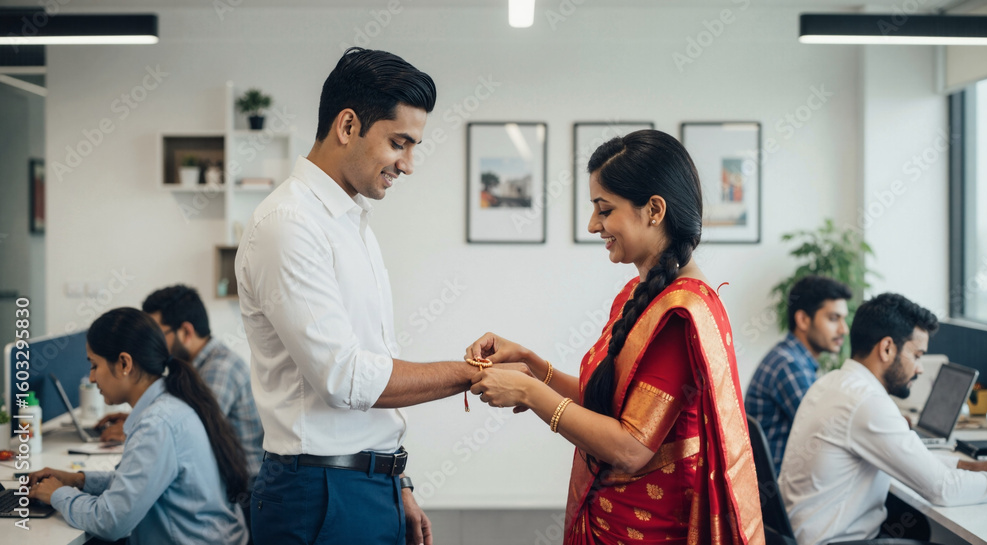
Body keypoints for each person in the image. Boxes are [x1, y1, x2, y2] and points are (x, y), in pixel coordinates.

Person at [235, 47, 524, 545]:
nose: (408, 165)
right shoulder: (288, 225)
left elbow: (371, 371)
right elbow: (344, 378)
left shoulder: (350, 221)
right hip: (319, 494)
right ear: (348, 126)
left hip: (365, 483)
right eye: (400, 143)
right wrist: (474, 374)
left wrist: (396, 481)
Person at [465, 130, 764, 545]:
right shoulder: (637, 294)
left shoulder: (681, 312)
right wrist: (533, 366)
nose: (592, 225)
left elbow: (630, 447)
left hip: (647, 532)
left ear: (654, 209)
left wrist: (529, 393)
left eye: (604, 210)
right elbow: (606, 402)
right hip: (608, 517)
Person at [779, 293, 987, 545]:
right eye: (917, 355)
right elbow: (944, 490)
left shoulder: (833, 383)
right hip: (834, 543)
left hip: (805, 537)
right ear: (886, 348)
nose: (920, 368)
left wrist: (971, 466)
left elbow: (911, 457)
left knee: (916, 527)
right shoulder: (867, 402)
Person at [27, 307, 247, 545]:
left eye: (94, 365)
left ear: (124, 363)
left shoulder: (157, 423)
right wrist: (78, 480)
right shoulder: (170, 403)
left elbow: (111, 521)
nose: (91, 378)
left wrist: (57, 494)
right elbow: (134, 483)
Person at [98, 285, 264, 485]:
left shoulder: (220, 368)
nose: (150, 344)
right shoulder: (196, 365)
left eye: (157, 335)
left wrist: (131, 430)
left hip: (244, 486)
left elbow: (187, 433)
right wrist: (132, 418)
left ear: (186, 332)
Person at [744, 275, 851, 473]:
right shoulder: (789, 364)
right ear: (803, 320)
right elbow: (829, 434)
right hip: (779, 490)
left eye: (844, 319)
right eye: (833, 318)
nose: (843, 329)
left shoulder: (792, 358)